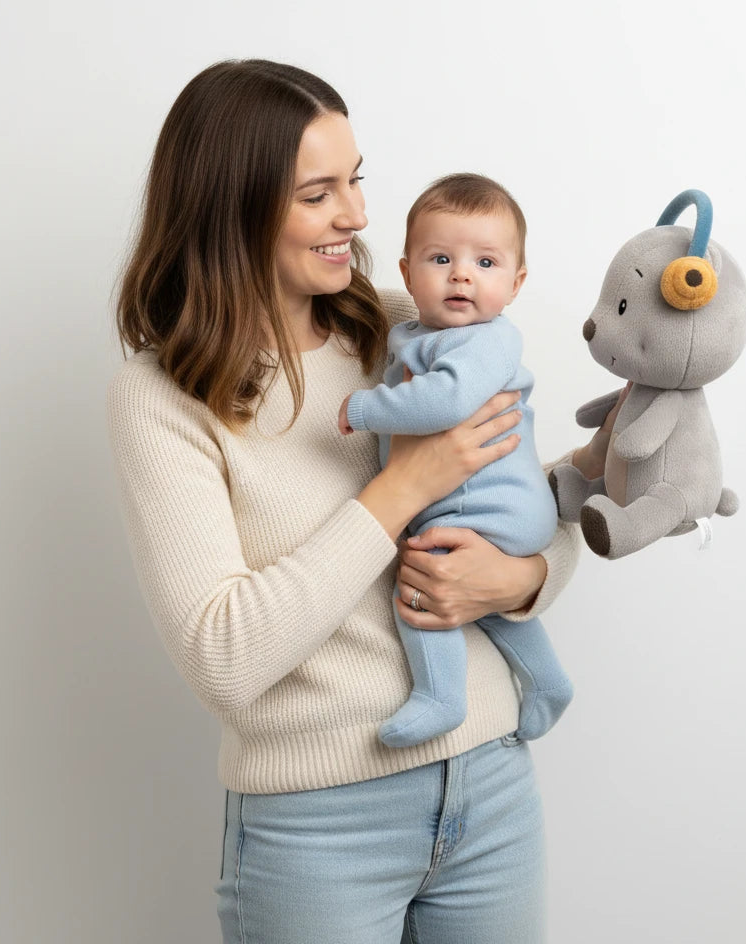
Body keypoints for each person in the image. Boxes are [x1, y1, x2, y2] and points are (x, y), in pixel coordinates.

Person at [108, 59, 616, 944]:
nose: (358, 215)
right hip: (319, 830)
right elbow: (222, 658)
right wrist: (400, 489)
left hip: (492, 787)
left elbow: (520, 500)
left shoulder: (407, 330)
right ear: (235, 208)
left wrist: (520, 580)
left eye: (356, 179)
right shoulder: (163, 397)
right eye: (319, 194)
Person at [339, 173, 573, 750]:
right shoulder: (416, 331)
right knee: (480, 600)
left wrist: (365, 408)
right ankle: (547, 683)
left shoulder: (488, 340)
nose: (462, 275)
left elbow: (444, 401)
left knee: (423, 580)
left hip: (489, 507)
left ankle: (440, 696)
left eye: (485, 263)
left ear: (516, 283)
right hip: (488, 506)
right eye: (440, 258)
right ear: (407, 273)